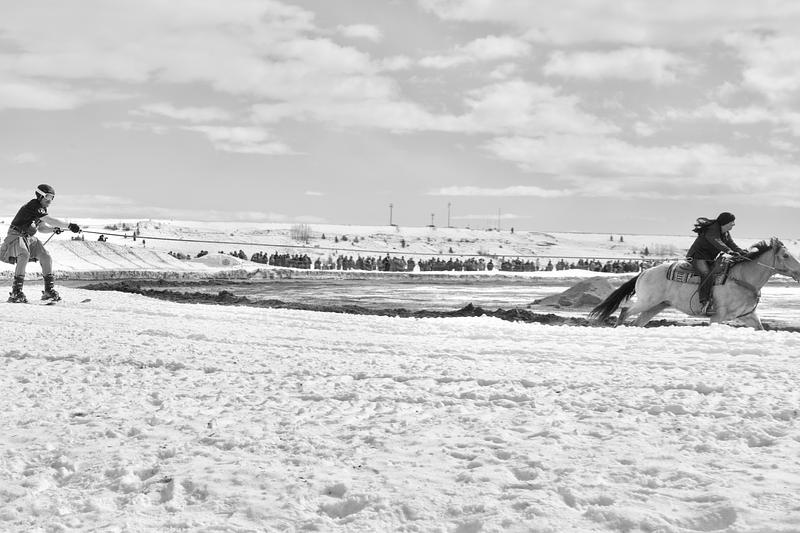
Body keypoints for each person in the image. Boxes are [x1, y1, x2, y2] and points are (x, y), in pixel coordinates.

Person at [0, 184, 81, 303]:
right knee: (24, 254)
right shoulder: (34, 205)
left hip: (28, 237)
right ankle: (16, 292)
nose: (50, 200)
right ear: (40, 195)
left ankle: (48, 291)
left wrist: (53, 229)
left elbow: (42, 228)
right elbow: (50, 220)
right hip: (16, 235)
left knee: (46, 256)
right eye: (48, 196)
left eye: (52, 197)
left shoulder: (42, 209)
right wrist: (69, 225)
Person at [686, 211, 746, 314]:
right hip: (697, 257)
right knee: (707, 274)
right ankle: (704, 303)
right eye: (732, 222)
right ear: (725, 222)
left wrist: (742, 252)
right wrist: (729, 251)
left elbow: (731, 244)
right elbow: (716, 241)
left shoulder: (725, 233)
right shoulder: (712, 229)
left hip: (709, 259)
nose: (733, 224)